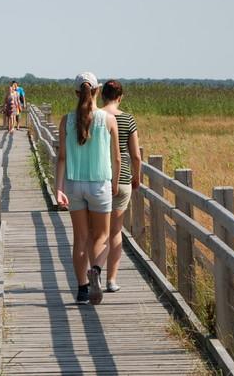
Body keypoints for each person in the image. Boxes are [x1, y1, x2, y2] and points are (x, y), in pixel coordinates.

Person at [56, 72, 121, 305]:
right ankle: (96, 269)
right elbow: (117, 158)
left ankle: (83, 289)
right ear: (97, 91)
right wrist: (114, 183)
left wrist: (58, 188)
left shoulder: (66, 120)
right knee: (101, 235)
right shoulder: (108, 119)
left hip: (74, 184)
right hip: (100, 183)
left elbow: (62, 157)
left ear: (77, 93)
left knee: (80, 238)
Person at [100, 80, 141, 292]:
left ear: (102, 96)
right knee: (116, 232)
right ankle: (111, 280)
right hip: (123, 177)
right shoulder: (127, 119)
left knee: (97, 232)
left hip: (98, 178)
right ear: (120, 96)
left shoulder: (96, 117)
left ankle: (94, 272)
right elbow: (135, 155)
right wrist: (137, 176)